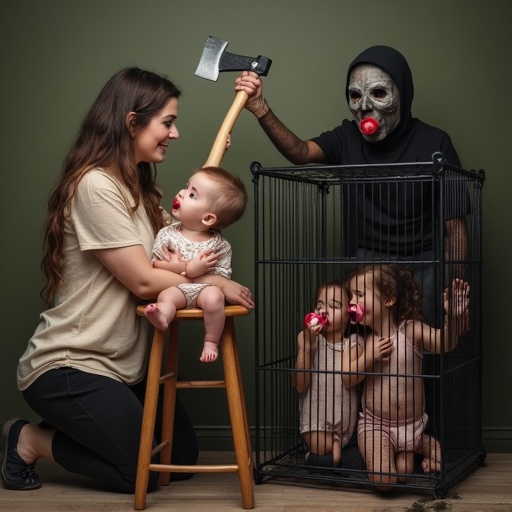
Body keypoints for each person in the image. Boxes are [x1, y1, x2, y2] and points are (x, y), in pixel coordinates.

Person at [1, 67, 254, 493]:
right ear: (132, 121)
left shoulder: (144, 190)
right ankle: (28, 439)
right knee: (143, 474)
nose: (174, 134)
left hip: (123, 369)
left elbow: (188, 235)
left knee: (179, 457)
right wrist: (219, 284)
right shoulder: (95, 186)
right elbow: (141, 280)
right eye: (167, 122)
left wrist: (212, 179)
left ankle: (98, 423)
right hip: (72, 363)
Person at [235, 44, 469, 326]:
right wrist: (260, 107)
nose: (365, 106)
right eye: (355, 95)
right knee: (367, 353)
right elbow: (300, 152)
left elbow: (455, 227)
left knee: (424, 350)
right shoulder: (347, 136)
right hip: (366, 265)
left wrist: (455, 288)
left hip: (424, 264)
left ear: (402, 94)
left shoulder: (436, 142)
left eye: (379, 93)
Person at [342, 264, 470, 490]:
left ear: (389, 299)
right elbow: (347, 379)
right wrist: (369, 357)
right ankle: (397, 454)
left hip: (413, 425)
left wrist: (453, 319)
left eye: (360, 295)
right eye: (351, 295)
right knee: (385, 481)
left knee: (406, 472)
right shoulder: (363, 340)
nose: (352, 301)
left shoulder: (411, 330)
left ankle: (420, 447)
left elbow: (446, 343)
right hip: (376, 426)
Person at [145, 166, 248, 363]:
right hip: (176, 288)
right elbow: (156, 264)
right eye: (186, 187)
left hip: (204, 291)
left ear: (208, 218)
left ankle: (210, 341)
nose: (182, 193)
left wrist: (192, 271)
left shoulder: (219, 245)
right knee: (165, 297)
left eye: (192, 194)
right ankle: (162, 317)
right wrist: (184, 268)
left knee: (215, 298)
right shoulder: (167, 234)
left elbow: (221, 278)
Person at [291, 280, 360, 468]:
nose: (324, 311)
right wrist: (306, 348)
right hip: (315, 425)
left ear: (350, 314)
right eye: (320, 306)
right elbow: (299, 385)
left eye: (334, 306)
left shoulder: (353, 344)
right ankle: (330, 455)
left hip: (345, 424)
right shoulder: (308, 340)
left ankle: (322, 459)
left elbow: (350, 378)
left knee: (350, 453)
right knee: (325, 447)